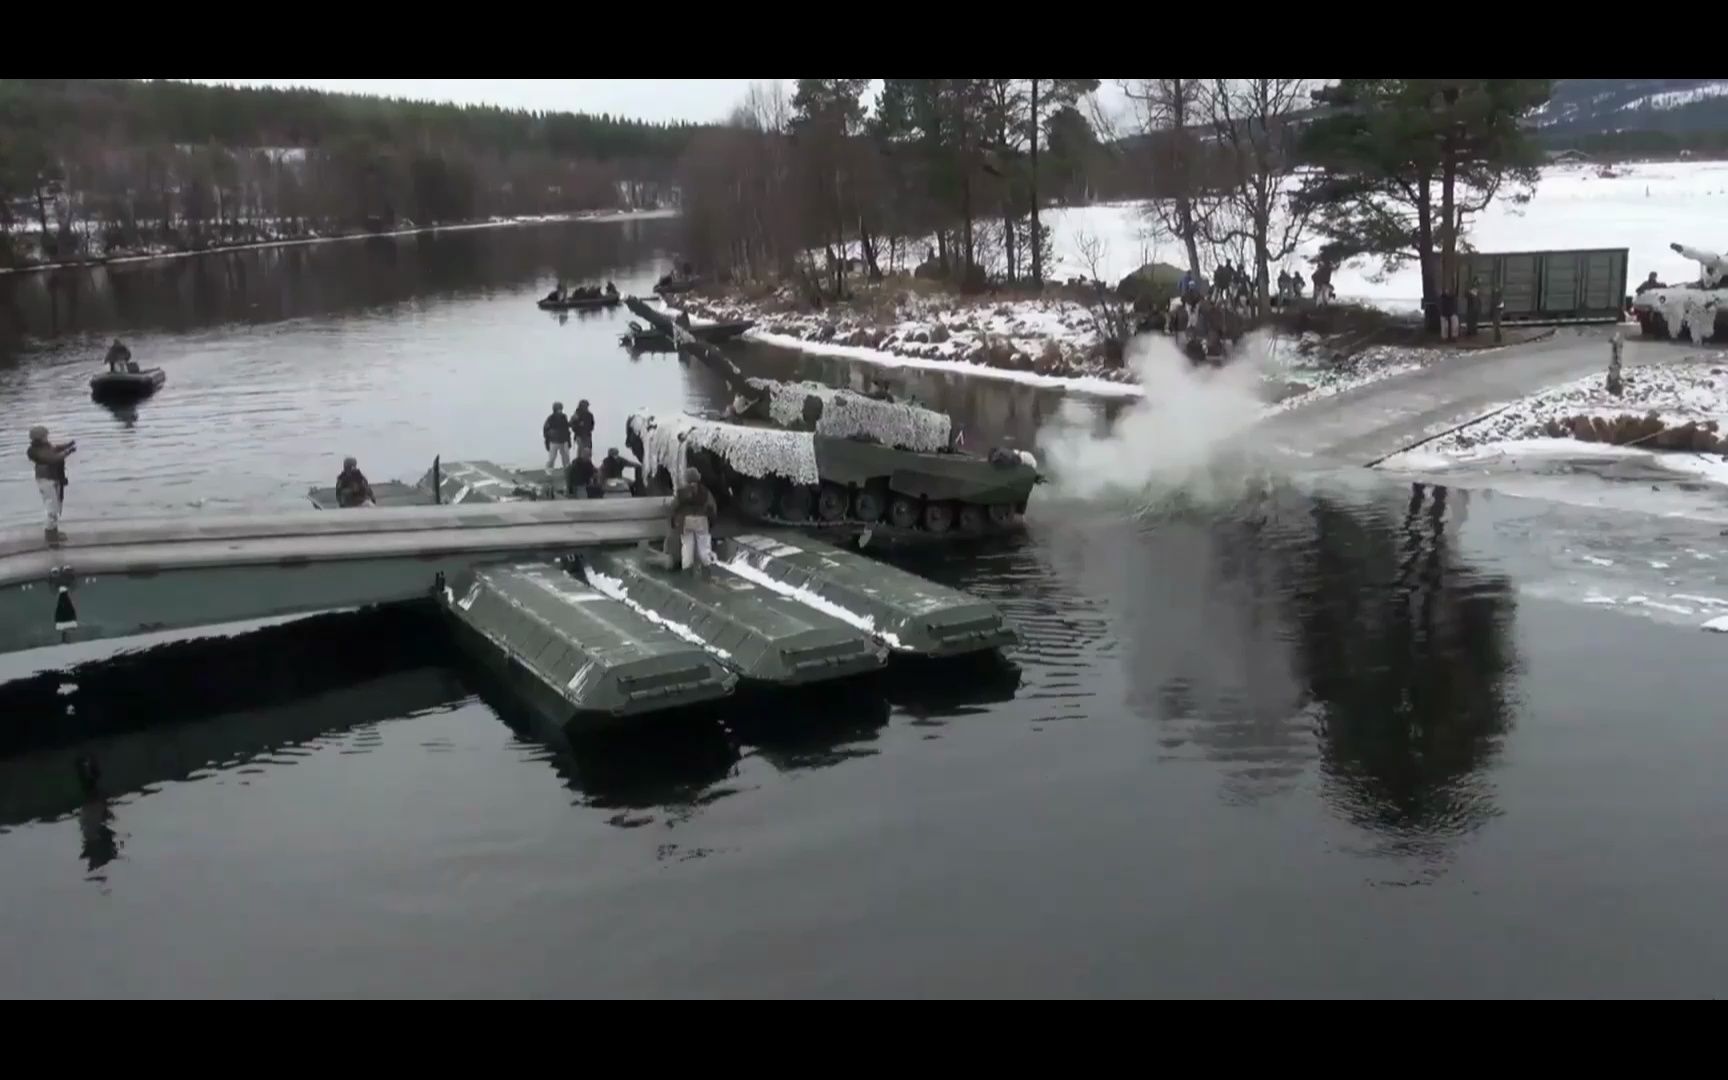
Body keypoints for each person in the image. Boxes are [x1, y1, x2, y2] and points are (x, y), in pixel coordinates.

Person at [27, 425, 75, 544]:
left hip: (53, 479)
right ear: (39, 438)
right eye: (45, 435)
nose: (47, 437)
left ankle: (54, 531)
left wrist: (67, 445)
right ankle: (50, 535)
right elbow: (52, 458)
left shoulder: (44, 447)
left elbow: (54, 449)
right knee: (52, 509)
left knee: (56, 506)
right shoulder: (37, 451)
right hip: (46, 481)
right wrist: (67, 452)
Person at [671, 466, 717, 573]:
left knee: (687, 549)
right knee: (704, 549)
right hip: (702, 520)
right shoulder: (705, 492)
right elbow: (712, 507)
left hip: (686, 521)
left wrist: (673, 521)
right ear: (698, 478)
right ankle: (707, 570)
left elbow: (674, 506)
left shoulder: (682, 492)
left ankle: (687, 573)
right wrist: (711, 522)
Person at [543, 401, 572, 469]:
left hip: (564, 440)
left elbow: (567, 429)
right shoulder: (550, 418)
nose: (560, 410)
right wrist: (547, 441)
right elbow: (546, 430)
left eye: (560, 409)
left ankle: (567, 471)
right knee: (552, 458)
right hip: (554, 441)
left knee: (566, 458)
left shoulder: (564, 417)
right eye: (558, 409)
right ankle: (549, 471)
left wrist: (569, 441)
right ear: (555, 409)